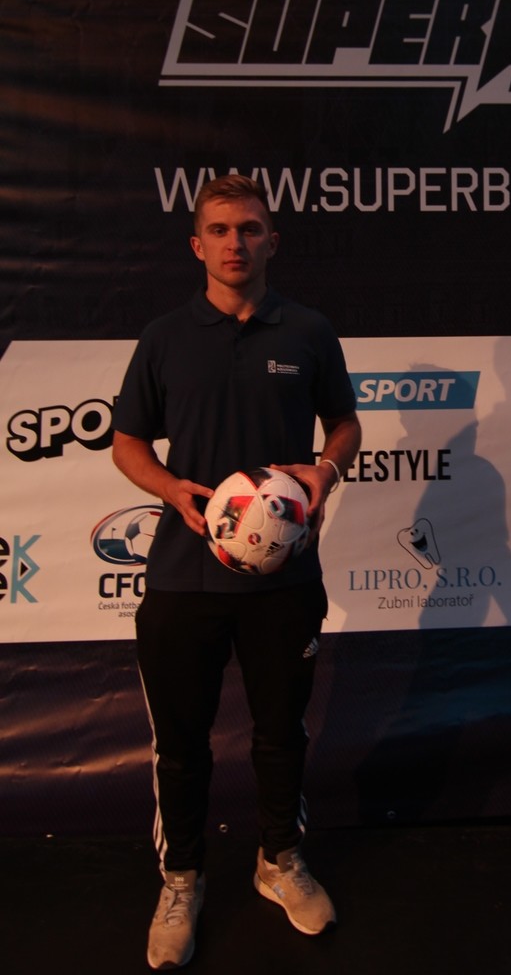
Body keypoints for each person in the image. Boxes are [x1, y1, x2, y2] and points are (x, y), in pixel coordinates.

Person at [112, 173, 361, 969]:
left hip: (282, 582)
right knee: (180, 745)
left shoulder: (309, 330)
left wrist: (325, 470)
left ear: (270, 241)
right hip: (182, 578)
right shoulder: (163, 337)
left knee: (281, 732)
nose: (234, 243)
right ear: (197, 245)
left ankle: (279, 859)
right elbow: (127, 443)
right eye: (219, 230)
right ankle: (181, 879)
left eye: (249, 229)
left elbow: (345, 423)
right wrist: (169, 488)